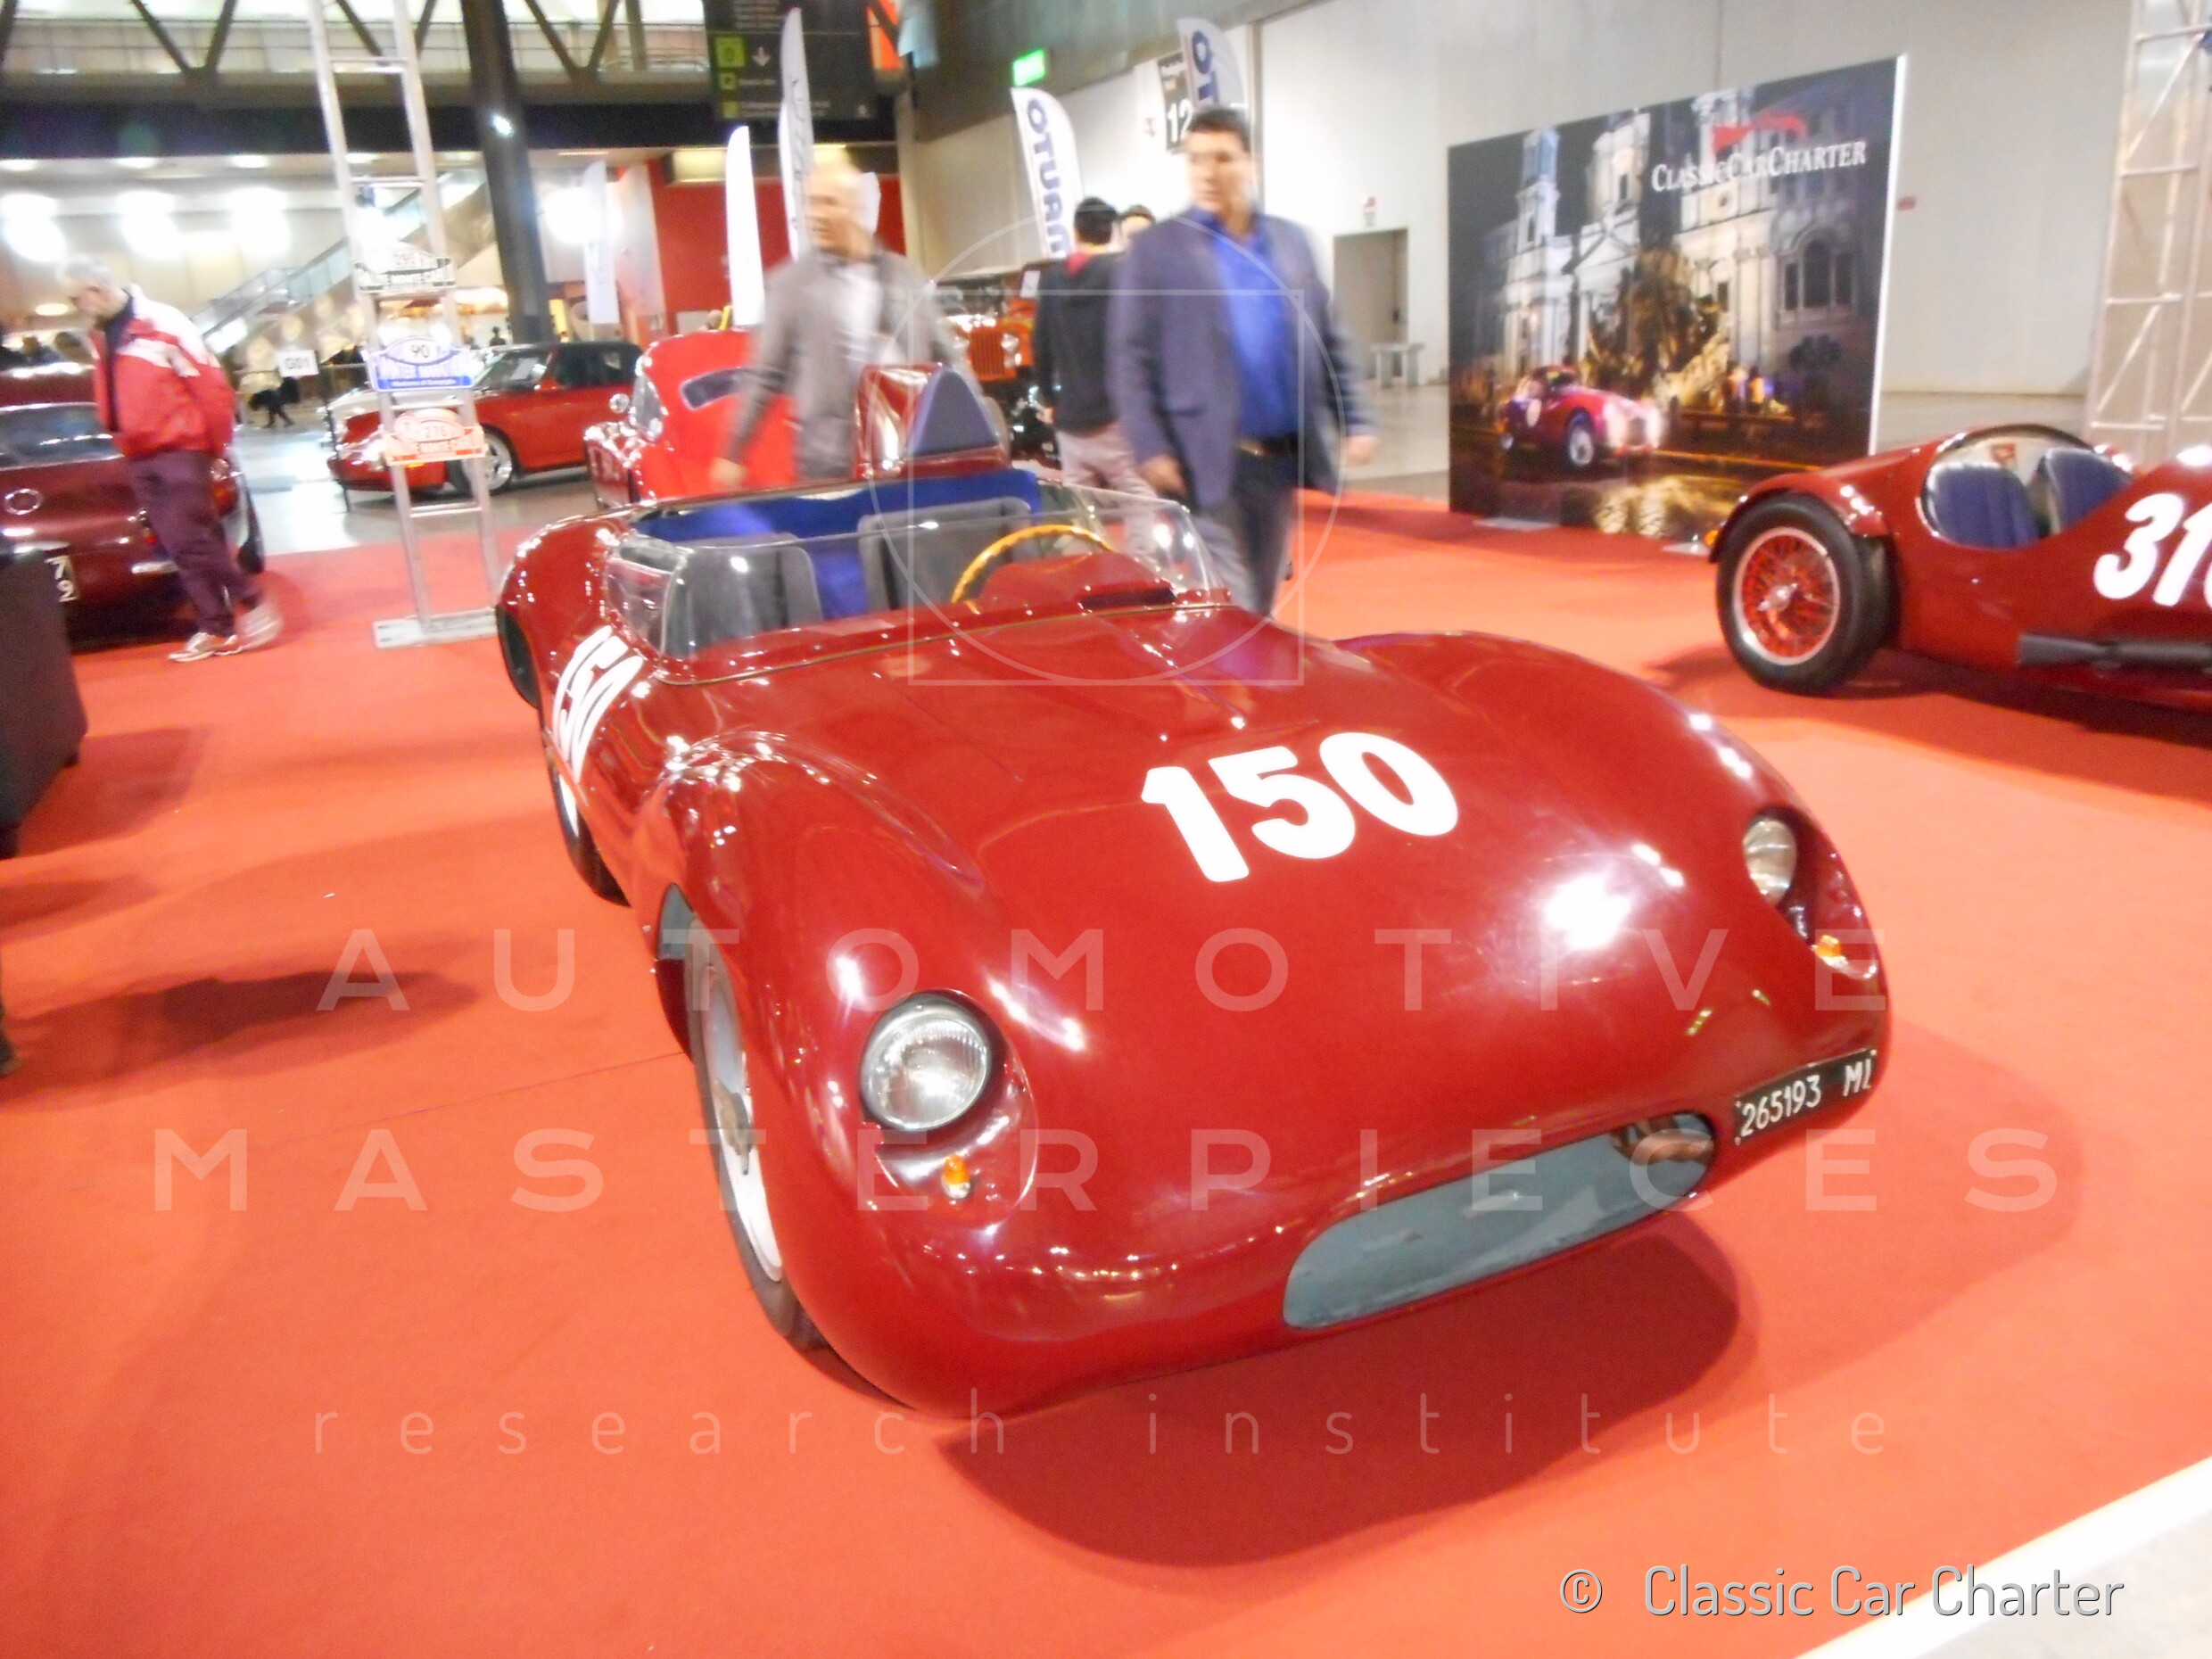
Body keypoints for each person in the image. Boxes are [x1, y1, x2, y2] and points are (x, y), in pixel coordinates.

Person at [1109, 107, 1376, 615]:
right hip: (1205, 459)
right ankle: (1242, 664)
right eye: (1196, 160)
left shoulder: (1290, 242)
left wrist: (1355, 418)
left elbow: (1327, 336)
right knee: (1239, 603)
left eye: (1222, 158)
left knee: (1263, 598)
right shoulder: (1160, 251)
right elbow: (1131, 356)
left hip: (1277, 460)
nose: (1208, 173)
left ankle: (1248, 661)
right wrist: (1150, 444)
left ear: (1251, 162)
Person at [59, 256, 279, 662]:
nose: (76, 307)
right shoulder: (101, 335)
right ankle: (215, 627)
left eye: (76, 299)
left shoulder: (163, 321)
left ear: (96, 290)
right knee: (182, 544)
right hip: (140, 454)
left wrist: (216, 446)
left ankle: (251, 598)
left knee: (191, 538)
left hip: (180, 450)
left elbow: (209, 384)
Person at [713, 154, 965, 488]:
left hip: (912, 450)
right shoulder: (791, 285)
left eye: (828, 203)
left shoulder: (905, 276)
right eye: (811, 203)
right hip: (829, 462)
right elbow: (763, 375)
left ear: (855, 207)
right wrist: (733, 453)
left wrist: (978, 429)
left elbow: (948, 359)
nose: (815, 214)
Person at [1032, 196, 1151, 494]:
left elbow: (1040, 345)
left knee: (1083, 506)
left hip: (1071, 420)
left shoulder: (1051, 279)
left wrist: (1050, 400)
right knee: (1140, 499)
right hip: (1117, 417)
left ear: (1075, 232)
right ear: (1112, 233)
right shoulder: (1122, 273)